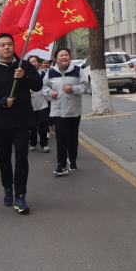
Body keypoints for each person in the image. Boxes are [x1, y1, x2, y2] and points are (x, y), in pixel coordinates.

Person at [0, 33, 42, 214]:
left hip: (22, 120)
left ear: (14, 46)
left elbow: (38, 85)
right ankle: (7, 187)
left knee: (21, 158)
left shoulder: (24, 65)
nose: (6, 47)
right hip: (1, 122)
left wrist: (25, 76)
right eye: (2, 45)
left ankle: (20, 196)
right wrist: (1, 101)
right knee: (4, 159)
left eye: (9, 44)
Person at [43, 47, 89, 176]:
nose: (64, 57)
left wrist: (73, 89)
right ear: (56, 58)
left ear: (70, 57)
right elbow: (44, 87)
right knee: (61, 137)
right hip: (57, 111)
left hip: (73, 110)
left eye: (66, 55)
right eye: (61, 55)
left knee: (72, 138)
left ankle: (72, 160)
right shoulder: (51, 72)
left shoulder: (78, 70)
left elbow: (85, 86)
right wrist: (50, 93)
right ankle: (62, 165)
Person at [27, 55, 50, 153]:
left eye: (35, 61)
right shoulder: (25, 74)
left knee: (42, 123)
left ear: (39, 63)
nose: (33, 63)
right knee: (32, 125)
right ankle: (32, 143)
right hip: (30, 105)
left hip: (42, 103)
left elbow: (48, 85)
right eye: (31, 62)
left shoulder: (44, 73)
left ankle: (44, 144)